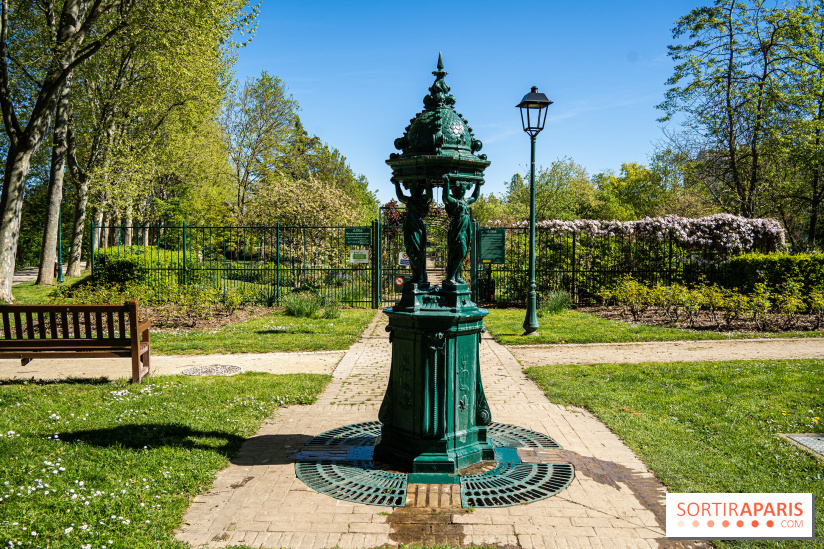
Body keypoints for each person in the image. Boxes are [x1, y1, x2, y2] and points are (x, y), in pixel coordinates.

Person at [443, 175, 480, 285]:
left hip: (466, 228)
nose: (463, 192)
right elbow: (445, 197)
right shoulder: (454, 201)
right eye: (460, 190)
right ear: (455, 191)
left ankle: (456, 276)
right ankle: (450, 277)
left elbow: (475, 197)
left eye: (464, 190)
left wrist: (478, 185)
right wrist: (446, 183)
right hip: (457, 229)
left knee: (461, 254)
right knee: (460, 252)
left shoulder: (465, 201)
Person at [394, 178, 432, 284]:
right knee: (411, 251)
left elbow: (429, 196)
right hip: (409, 226)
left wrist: (428, 183)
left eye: (416, 188)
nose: (413, 190)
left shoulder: (422, 199)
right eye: (411, 188)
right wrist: (397, 184)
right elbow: (401, 197)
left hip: (416, 227)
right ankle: (417, 275)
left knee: (415, 251)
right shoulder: (410, 200)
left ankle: (420, 276)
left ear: (420, 189)